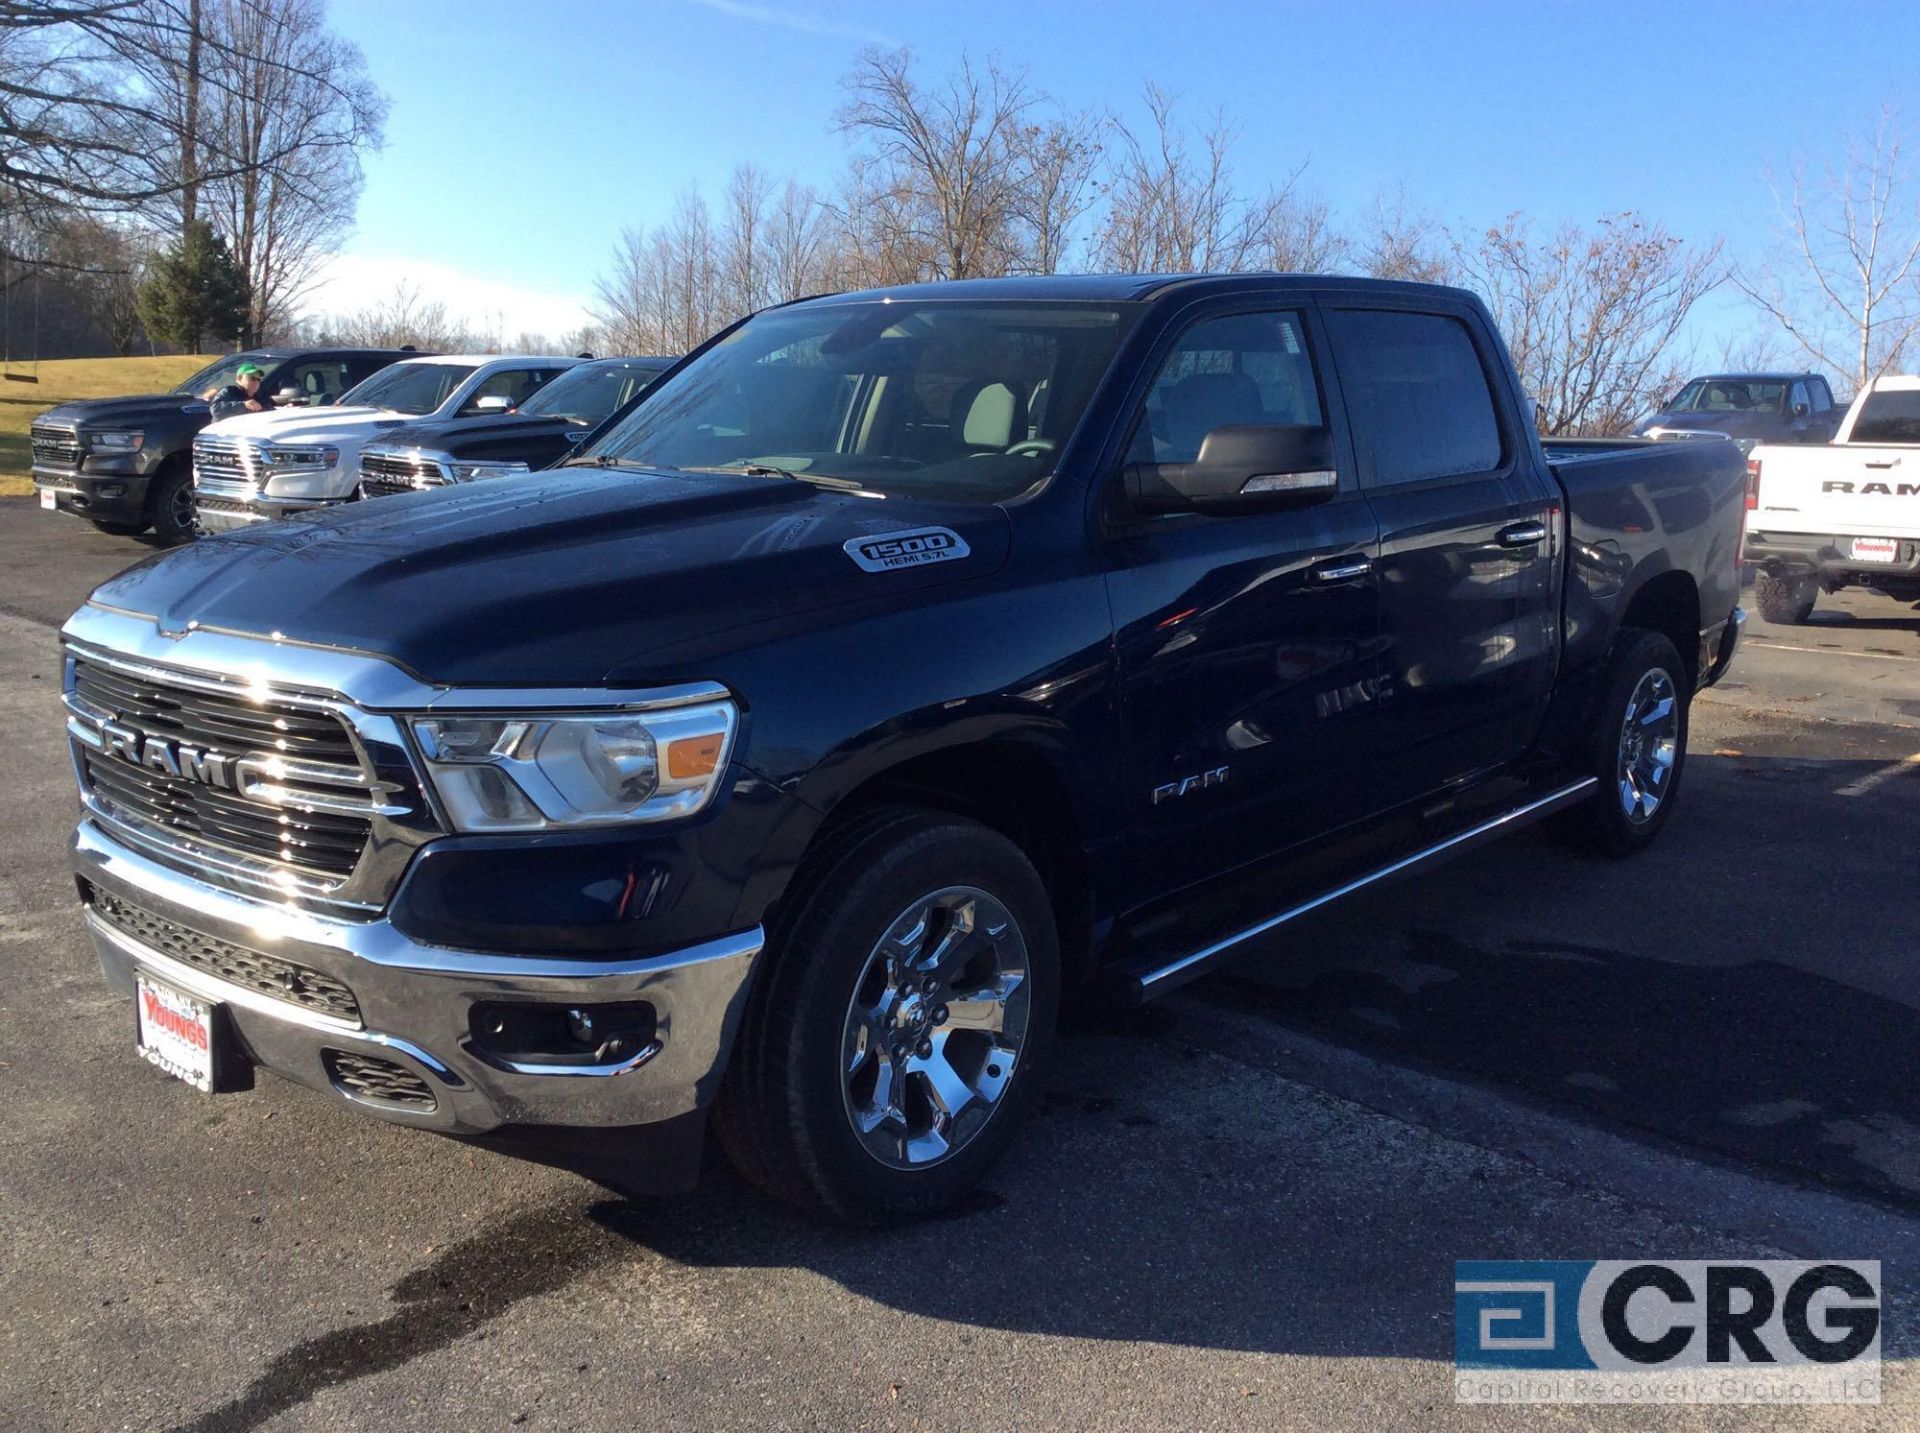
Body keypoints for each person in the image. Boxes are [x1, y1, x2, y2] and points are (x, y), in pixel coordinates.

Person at [209, 363, 276, 421]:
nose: (256, 382)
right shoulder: (229, 391)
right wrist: (243, 405)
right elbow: (215, 410)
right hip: (224, 433)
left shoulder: (259, 398)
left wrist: (284, 410)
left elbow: (270, 412)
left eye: (258, 379)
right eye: (252, 378)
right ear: (239, 379)